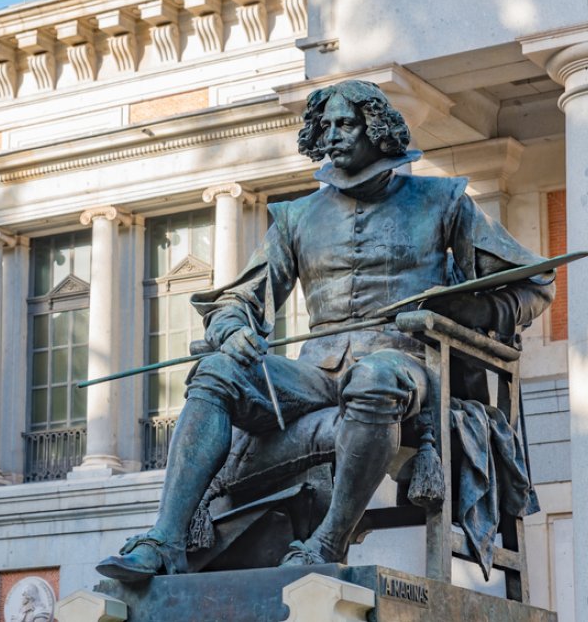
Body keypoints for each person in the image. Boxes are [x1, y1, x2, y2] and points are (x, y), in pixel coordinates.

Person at [96, 80, 554, 582]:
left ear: (376, 130)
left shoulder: (442, 200)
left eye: (346, 124)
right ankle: (164, 539)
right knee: (217, 369)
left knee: (374, 378)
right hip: (314, 375)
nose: (332, 135)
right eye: (325, 126)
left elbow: (533, 285)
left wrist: (468, 311)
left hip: (406, 365)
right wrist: (231, 330)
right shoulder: (296, 216)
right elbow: (239, 298)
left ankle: (329, 541)